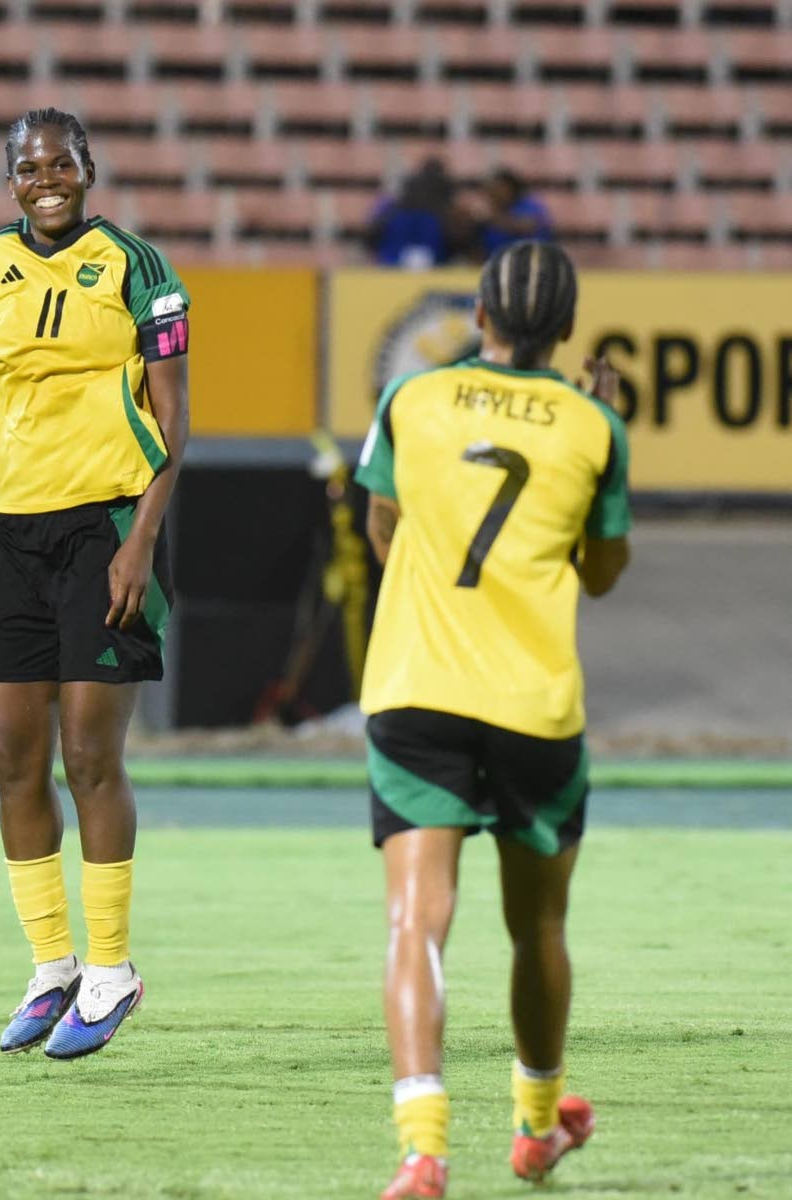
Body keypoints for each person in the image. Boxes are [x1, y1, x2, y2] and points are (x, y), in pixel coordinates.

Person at [0, 107, 190, 1060]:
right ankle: (52, 969)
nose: (44, 178)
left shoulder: (142, 270)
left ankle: (111, 969)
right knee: (11, 757)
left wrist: (139, 540)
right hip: (13, 535)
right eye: (27, 166)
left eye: (61, 162)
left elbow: (176, 422)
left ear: (89, 168)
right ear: (9, 178)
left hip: (105, 527)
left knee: (89, 756)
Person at [354, 240, 631, 1199]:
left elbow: (383, 530)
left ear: (478, 315)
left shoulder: (412, 402)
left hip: (416, 689)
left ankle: (423, 1149)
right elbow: (599, 573)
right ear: (563, 328)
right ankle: (536, 1124)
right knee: (537, 930)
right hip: (533, 705)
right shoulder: (594, 426)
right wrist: (597, 420)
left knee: (414, 920)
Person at [481, 167, 553, 258]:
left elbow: (526, 226)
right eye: (492, 190)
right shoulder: (491, 211)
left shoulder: (530, 205)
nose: (496, 193)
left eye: (500, 188)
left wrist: (493, 218)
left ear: (512, 188)